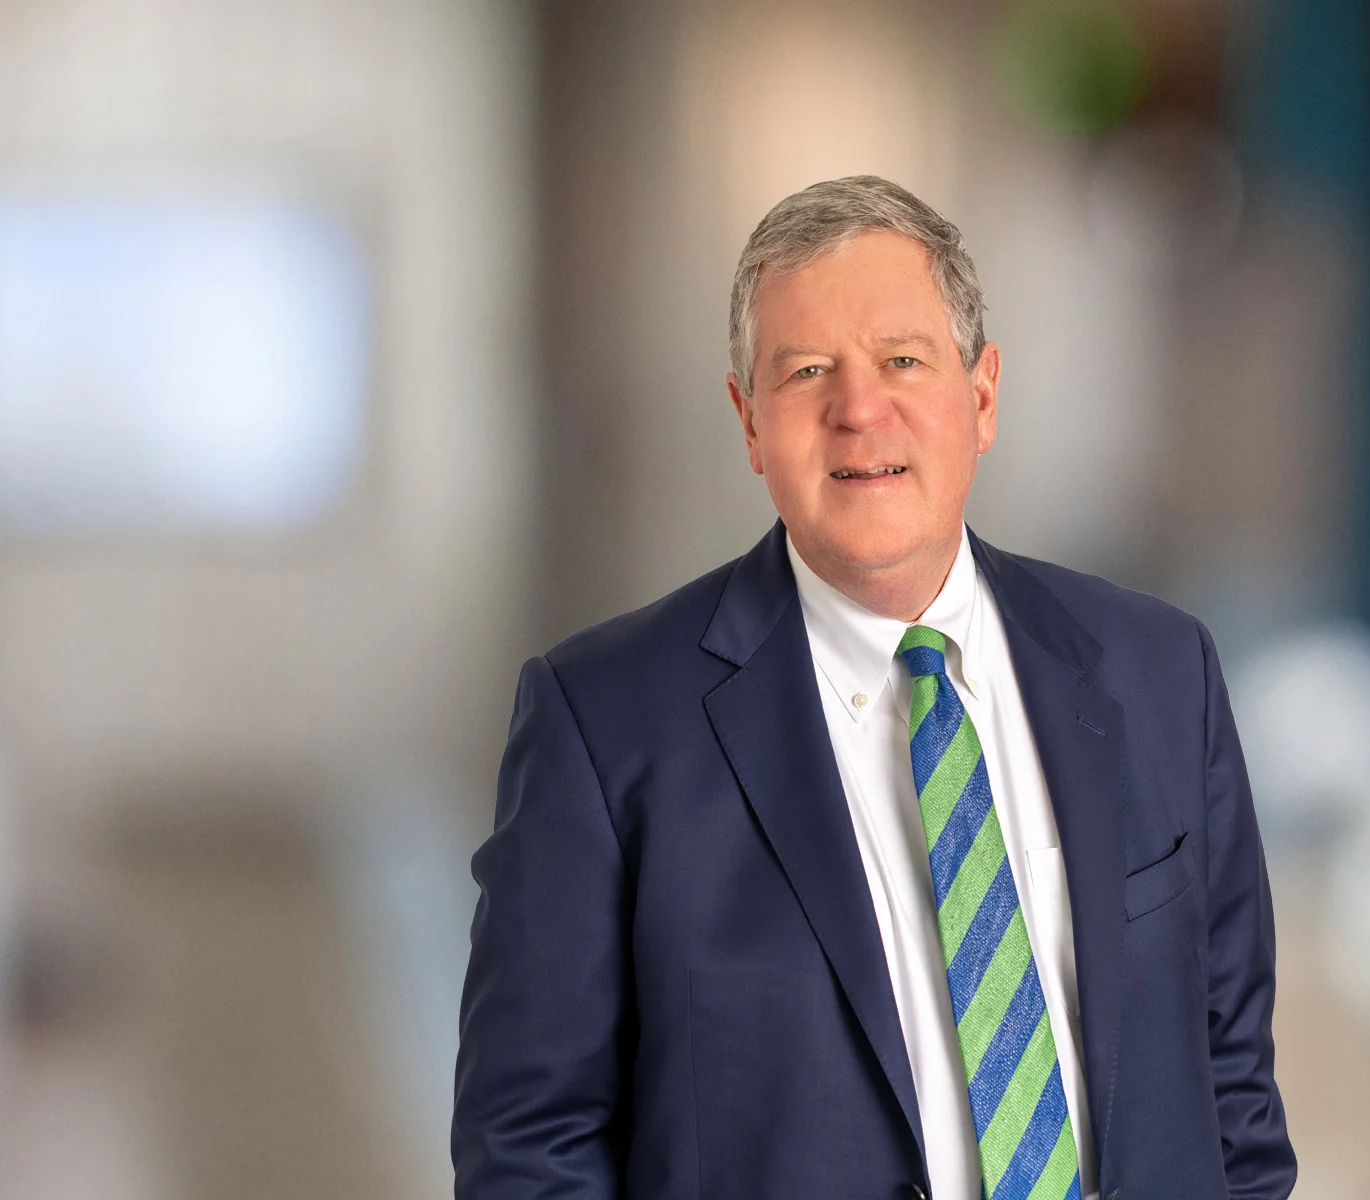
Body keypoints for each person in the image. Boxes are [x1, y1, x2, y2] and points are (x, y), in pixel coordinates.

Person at [453, 175, 1295, 1200]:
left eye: (903, 359)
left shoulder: (1160, 673)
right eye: (806, 372)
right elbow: (530, 1148)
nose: (859, 410)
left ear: (980, 396)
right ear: (749, 422)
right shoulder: (601, 724)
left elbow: (1234, 1093)